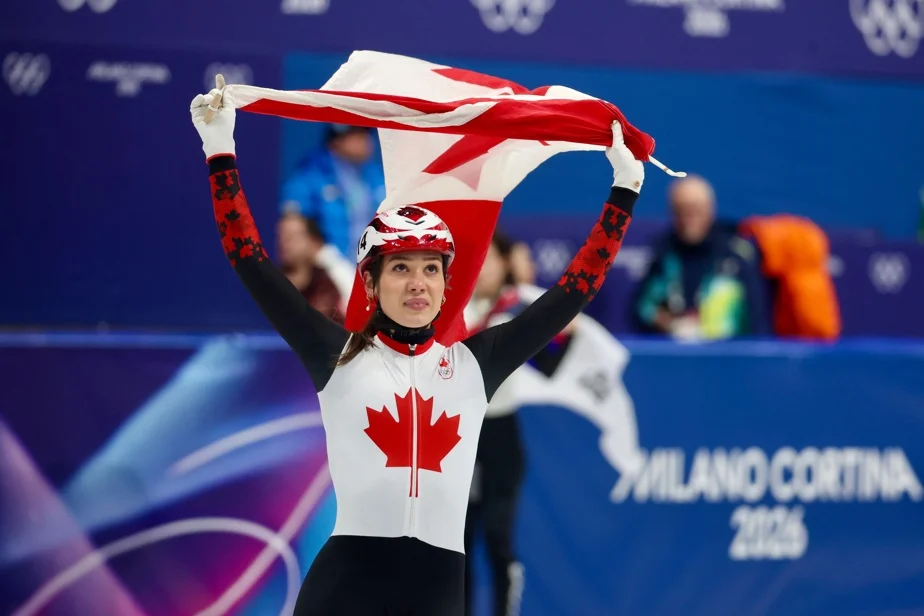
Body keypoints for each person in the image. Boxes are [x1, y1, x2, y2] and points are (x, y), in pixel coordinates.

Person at [191, 83, 644, 615]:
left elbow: (574, 291)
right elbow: (251, 262)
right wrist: (219, 150)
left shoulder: (477, 365)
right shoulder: (338, 357)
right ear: (372, 283)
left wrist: (625, 188)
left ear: (447, 285)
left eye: (431, 269)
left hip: (435, 590)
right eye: (401, 268)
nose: (418, 283)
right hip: (345, 587)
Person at [633, 174, 770, 340]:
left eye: (695, 209)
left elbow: (758, 319)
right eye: (681, 210)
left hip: (729, 354)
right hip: (675, 353)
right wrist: (670, 324)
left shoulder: (737, 254)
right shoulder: (663, 253)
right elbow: (642, 308)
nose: (688, 217)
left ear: (710, 209)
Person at [280, 123, 386, 258]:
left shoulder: (375, 175)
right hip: (326, 265)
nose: (366, 140)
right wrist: (325, 258)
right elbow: (292, 219)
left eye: (365, 134)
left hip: (370, 262)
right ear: (337, 139)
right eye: (357, 134)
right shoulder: (312, 175)